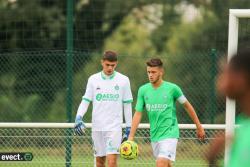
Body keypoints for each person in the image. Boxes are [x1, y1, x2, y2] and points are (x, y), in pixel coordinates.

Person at [128, 58, 205, 167]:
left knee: (160, 163)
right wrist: (131, 136)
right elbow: (138, 113)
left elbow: (187, 106)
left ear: (161, 72)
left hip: (170, 134)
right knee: (166, 164)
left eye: (153, 72)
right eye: (148, 72)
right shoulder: (143, 90)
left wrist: (199, 126)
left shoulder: (173, 89)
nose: (150, 75)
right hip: (154, 135)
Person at [74, 50, 133, 167]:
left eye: (113, 65)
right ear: (102, 62)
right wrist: (78, 117)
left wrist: (128, 127)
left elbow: (127, 105)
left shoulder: (124, 80)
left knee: (112, 162)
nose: (110, 68)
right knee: (99, 162)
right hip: (97, 127)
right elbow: (85, 101)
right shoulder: (93, 79)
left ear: (116, 63)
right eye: (107, 65)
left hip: (114, 128)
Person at [207, 48, 250, 167]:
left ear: (241, 78)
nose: (219, 79)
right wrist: (212, 161)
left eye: (223, 72)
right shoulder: (243, 124)